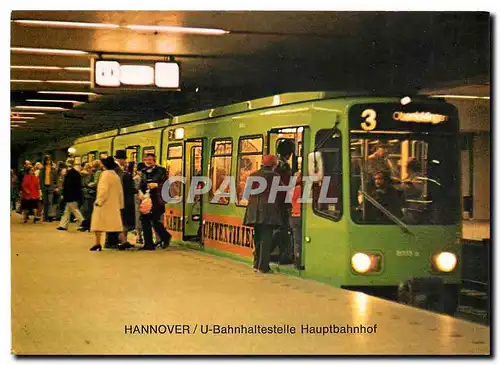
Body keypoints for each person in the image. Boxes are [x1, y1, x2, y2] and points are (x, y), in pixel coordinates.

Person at [243, 155, 283, 273]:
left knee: (258, 238)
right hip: (268, 211)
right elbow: (280, 193)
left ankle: (256, 264)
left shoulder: (253, 175)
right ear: (274, 165)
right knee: (266, 239)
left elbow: (246, 194)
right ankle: (263, 267)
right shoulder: (275, 176)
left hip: (253, 210)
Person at [89, 157, 125, 251]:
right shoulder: (115, 175)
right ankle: (123, 242)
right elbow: (120, 191)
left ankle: (97, 244)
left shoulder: (105, 175)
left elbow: (103, 190)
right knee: (116, 225)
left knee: (98, 225)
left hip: (104, 204)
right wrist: (120, 204)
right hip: (114, 204)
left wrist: (98, 201)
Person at [138, 153, 171, 250]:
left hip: (157, 199)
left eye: (150, 160)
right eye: (146, 160)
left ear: (154, 161)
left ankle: (165, 236)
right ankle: (148, 244)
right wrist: (140, 192)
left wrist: (156, 185)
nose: (148, 162)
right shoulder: (143, 171)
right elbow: (142, 185)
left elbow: (166, 184)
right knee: (144, 221)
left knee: (155, 221)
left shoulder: (161, 171)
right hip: (146, 200)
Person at [273, 139, 295, 264]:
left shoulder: (276, 163)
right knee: (283, 229)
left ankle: (278, 254)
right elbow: (285, 185)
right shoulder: (283, 166)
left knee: (282, 229)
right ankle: (280, 255)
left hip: (277, 201)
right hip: (281, 202)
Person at [57, 158, 85, 231]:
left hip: (70, 195)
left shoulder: (70, 173)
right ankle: (63, 225)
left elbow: (68, 186)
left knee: (75, 210)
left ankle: (83, 223)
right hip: (73, 195)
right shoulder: (75, 173)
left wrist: (64, 194)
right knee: (67, 210)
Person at [117, 161, 138, 250]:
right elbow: (129, 189)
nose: (136, 168)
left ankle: (124, 240)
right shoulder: (128, 176)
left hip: (125, 201)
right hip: (128, 202)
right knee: (125, 222)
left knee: (125, 222)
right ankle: (123, 241)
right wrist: (137, 190)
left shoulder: (125, 175)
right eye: (135, 167)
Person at [38, 155, 57, 222]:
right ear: (45, 160)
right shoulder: (42, 169)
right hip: (44, 187)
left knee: (50, 202)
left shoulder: (53, 169)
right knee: (45, 202)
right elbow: (40, 179)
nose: (48, 161)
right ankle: (46, 217)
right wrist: (40, 188)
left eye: (49, 160)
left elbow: (55, 179)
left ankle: (50, 216)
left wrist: (55, 186)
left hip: (51, 187)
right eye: (47, 160)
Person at [78, 163, 94, 231]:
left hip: (87, 195)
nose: (91, 170)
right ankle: (86, 225)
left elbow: (84, 184)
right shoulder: (86, 175)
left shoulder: (86, 175)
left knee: (87, 211)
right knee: (86, 210)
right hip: (86, 194)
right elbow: (85, 184)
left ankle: (86, 225)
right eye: (90, 168)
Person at [133, 162, 145, 244]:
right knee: (141, 219)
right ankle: (140, 236)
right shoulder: (144, 178)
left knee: (138, 219)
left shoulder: (136, 178)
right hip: (144, 201)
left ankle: (139, 236)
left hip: (137, 201)